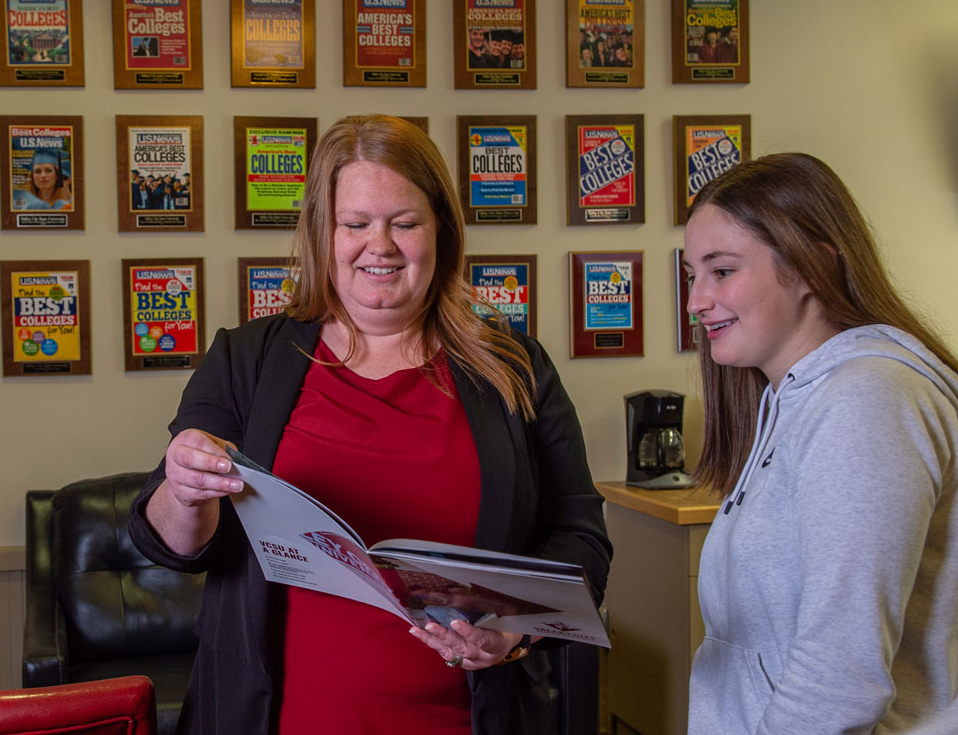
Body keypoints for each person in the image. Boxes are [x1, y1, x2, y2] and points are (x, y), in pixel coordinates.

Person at [128, 114, 611, 735]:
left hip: (468, 719)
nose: (378, 246)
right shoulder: (247, 359)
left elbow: (581, 539)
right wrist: (185, 486)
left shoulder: (515, 367)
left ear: (440, 229)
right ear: (321, 234)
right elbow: (173, 544)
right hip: (277, 719)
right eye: (354, 224)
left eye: (404, 223)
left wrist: (511, 628)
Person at [681, 153, 958, 733]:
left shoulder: (866, 403)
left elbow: (841, 677)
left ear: (807, 267)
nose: (697, 300)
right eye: (692, 274)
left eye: (721, 271)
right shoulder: (795, 401)